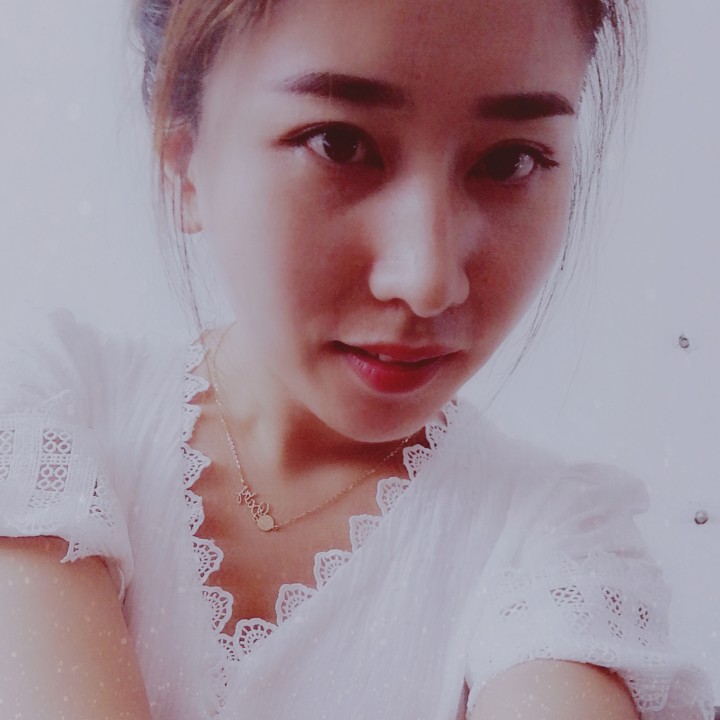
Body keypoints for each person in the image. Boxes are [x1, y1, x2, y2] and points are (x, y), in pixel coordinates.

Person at [0, 0, 713, 718]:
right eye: (338, 144)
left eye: (510, 160)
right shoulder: (43, 423)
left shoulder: (561, 557)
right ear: (185, 162)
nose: (428, 280)